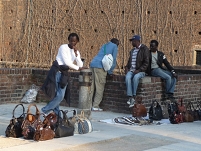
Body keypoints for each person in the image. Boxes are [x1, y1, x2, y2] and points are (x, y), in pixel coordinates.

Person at [41, 33, 87, 115]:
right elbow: (67, 62)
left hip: (64, 74)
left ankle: (45, 110)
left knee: (61, 95)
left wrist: (76, 55)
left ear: (77, 42)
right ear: (68, 40)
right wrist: (78, 68)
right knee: (56, 95)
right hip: (56, 71)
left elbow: (80, 65)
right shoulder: (63, 47)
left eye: (74, 41)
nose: (73, 43)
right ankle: (57, 116)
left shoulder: (76, 52)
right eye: (71, 41)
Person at [90, 38, 119, 111]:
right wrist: (110, 72)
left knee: (92, 87)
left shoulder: (105, 45)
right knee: (100, 87)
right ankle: (95, 106)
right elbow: (113, 59)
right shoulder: (114, 46)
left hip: (93, 64)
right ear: (116, 43)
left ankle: (88, 105)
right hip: (100, 67)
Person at [125, 35, 149, 108]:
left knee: (136, 77)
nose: (132, 43)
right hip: (132, 70)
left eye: (132, 41)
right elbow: (130, 61)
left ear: (137, 41)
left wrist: (139, 70)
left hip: (141, 71)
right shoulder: (132, 51)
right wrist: (126, 67)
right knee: (127, 77)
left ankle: (134, 95)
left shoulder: (144, 49)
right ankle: (130, 97)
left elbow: (146, 62)